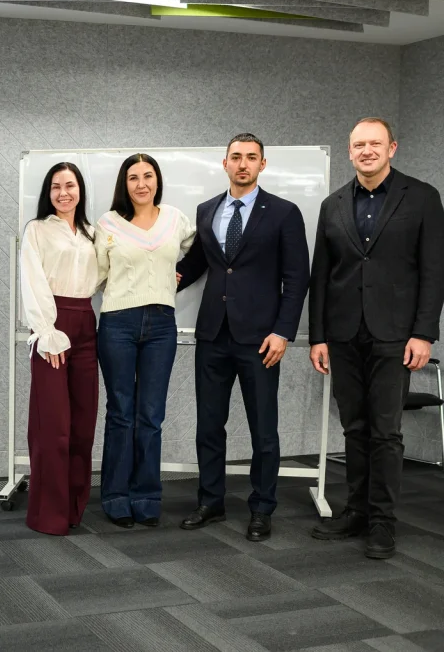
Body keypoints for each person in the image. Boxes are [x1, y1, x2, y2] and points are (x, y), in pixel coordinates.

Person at [308, 117, 444, 559]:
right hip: (343, 333)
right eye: (359, 145)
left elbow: (433, 271)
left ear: (392, 148)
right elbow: (321, 276)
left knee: (385, 432)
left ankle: (383, 521)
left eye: (375, 143)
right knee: (354, 427)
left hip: (395, 335)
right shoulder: (332, 204)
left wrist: (423, 333)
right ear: (349, 151)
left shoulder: (422, 197)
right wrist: (318, 336)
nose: (367, 151)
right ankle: (357, 511)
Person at [176, 133, 310, 542]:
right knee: (209, 426)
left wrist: (283, 332)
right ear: (225, 163)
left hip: (261, 339)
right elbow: (196, 264)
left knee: (263, 430)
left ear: (262, 164)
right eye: (236, 157)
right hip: (213, 335)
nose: (243, 163)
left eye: (251, 157)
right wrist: (151, 279)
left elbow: (297, 277)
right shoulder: (207, 210)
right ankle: (210, 502)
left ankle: (262, 508)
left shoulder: (284, 213)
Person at [94, 154, 196, 527]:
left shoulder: (175, 219)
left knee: (151, 415)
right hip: (117, 324)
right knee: (121, 412)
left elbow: (202, 251)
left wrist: (180, 274)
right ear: (124, 184)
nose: (141, 184)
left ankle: (147, 495)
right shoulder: (108, 223)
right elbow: (96, 275)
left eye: (148, 176)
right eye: (133, 177)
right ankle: (116, 495)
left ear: (157, 181)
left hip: (161, 326)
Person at [21, 161, 99, 536]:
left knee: (83, 426)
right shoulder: (37, 230)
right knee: (53, 427)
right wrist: (47, 332)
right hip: (53, 324)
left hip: (86, 324)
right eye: (56, 186)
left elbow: (110, 275)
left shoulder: (92, 234)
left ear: (80, 190)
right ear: (48, 193)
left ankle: (72, 508)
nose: (63, 192)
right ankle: (47, 515)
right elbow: (32, 281)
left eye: (70, 185)